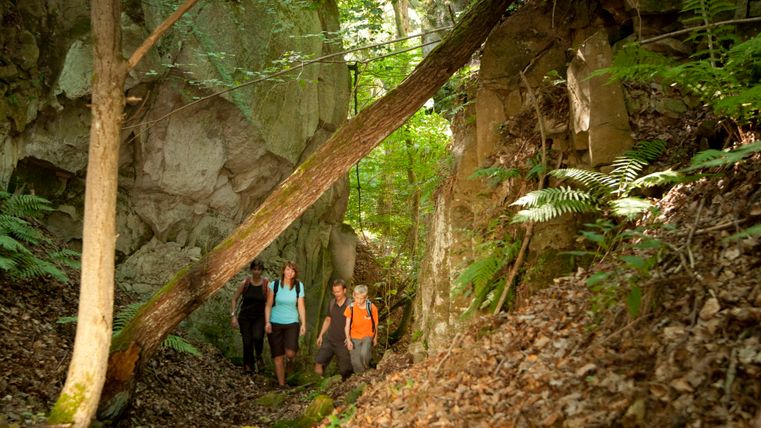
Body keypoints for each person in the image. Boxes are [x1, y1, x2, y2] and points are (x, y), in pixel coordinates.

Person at [264, 260, 306, 387]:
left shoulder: (299, 286)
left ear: (295, 273)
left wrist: (303, 323)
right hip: (275, 322)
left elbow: (301, 306)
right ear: (283, 270)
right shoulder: (274, 285)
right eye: (288, 269)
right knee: (278, 356)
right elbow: (268, 305)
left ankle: (290, 361)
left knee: (290, 352)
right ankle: (282, 385)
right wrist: (267, 322)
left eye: (292, 270)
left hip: (292, 322)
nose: (290, 272)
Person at [230, 259, 269, 374]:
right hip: (245, 317)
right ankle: (248, 365)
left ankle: (259, 356)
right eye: (255, 269)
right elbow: (234, 298)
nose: (257, 272)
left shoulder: (266, 284)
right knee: (247, 342)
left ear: (262, 271)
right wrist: (233, 315)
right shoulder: (245, 283)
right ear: (251, 270)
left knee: (257, 337)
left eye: (259, 269)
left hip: (260, 317)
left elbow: (271, 301)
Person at [314, 279, 353, 379]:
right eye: (334, 292)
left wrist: (350, 338)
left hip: (343, 342)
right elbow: (328, 319)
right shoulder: (332, 303)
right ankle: (319, 386)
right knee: (318, 363)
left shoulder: (350, 305)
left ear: (344, 290)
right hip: (330, 339)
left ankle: (344, 389)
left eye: (338, 291)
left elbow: (355, 323)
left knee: (345, 371)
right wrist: (321, 335)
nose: (336, 294)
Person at [344, 285, 378, 374]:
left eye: (361, 298)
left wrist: (375, 337)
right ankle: (362, 377)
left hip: (367, 335)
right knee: (355, 361)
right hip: (354, 336)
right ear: (353, 295)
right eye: (357, 298)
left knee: (364, 354)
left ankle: (367, 369)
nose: (359, 301)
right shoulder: (350, 308)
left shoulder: (371, 308)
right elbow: (347, 326)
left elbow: (375, 324)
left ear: (366, 297)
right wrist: (348, 339)